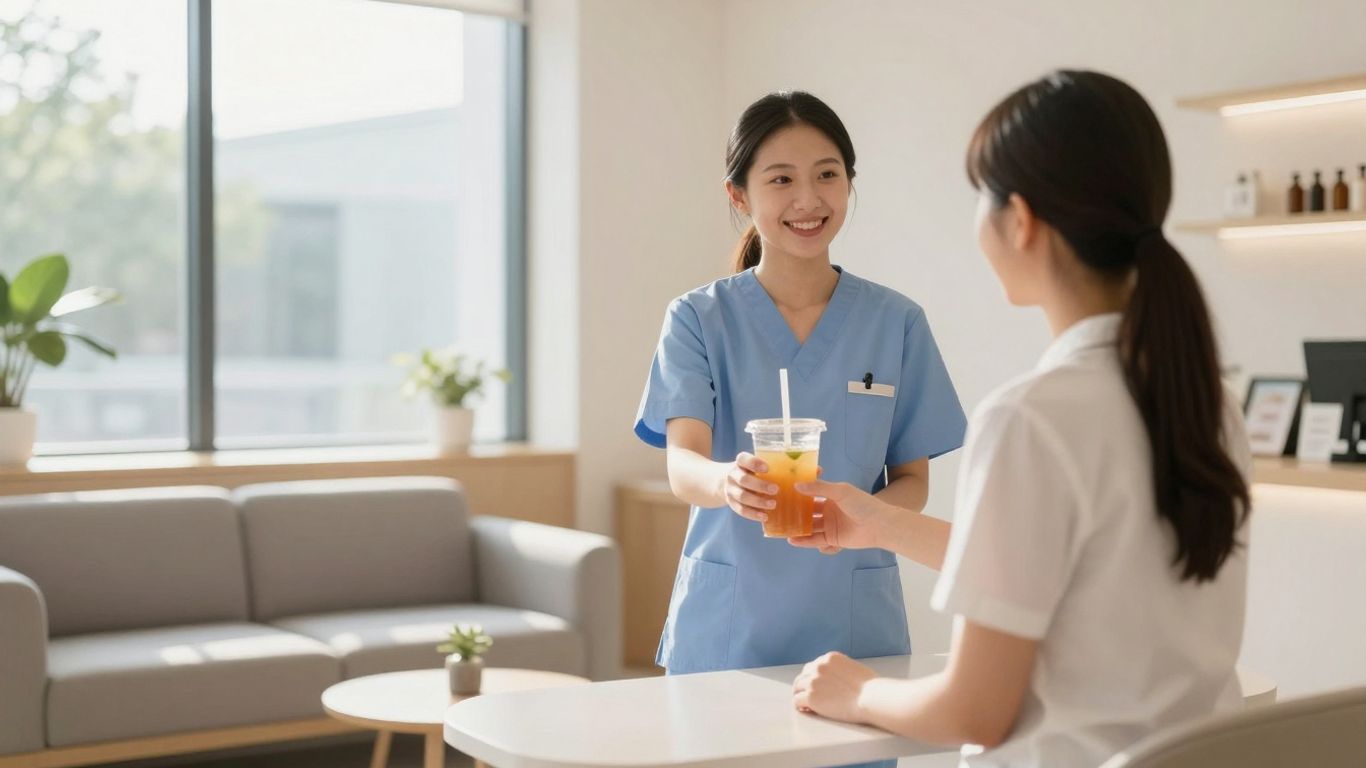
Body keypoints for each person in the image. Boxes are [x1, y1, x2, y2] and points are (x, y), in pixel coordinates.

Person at [789, 70, 1253, 768]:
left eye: (982, 195)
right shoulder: (1208, 403)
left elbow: (972, 711)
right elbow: (1076, 570)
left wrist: (859, 692)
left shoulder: (1031, 418)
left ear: (1022, 221)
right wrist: (879, 522)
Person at [633, 91, 966, 693]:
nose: (808, 199)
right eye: (781, 179)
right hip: (730, 625)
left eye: (827, 175)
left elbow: (912, 480)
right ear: (739, 195)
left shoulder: (896, 322)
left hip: (854, 623)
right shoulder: (698, 319)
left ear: (849, 183)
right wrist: (729, 483)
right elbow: (683, 464)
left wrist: (865, 517)